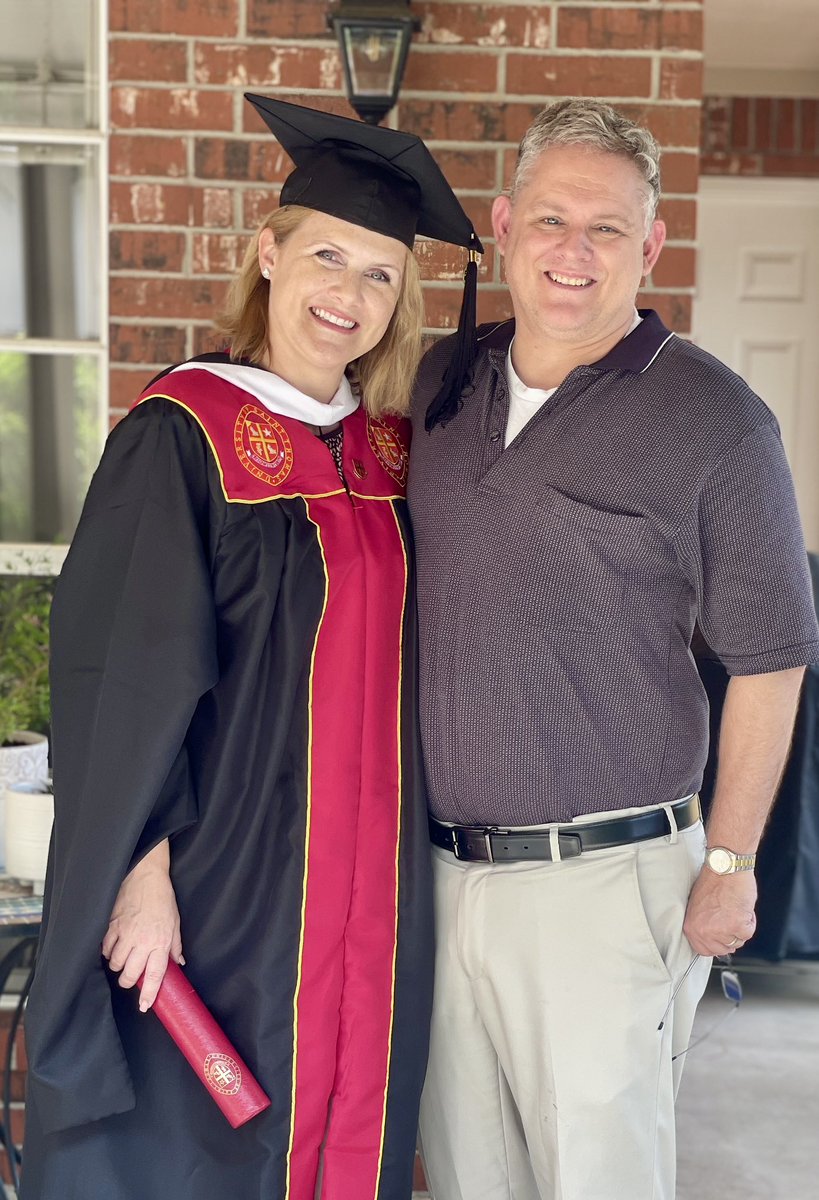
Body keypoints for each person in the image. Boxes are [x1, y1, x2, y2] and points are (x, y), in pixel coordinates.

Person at [21, 95, 479, 1200]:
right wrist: (139, 868)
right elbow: (117, 676)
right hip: (225, 873)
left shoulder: (386, 456)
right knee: (211, 1145)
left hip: (372, 879)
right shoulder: (185, 436)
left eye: (380, 274)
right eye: (327, 255)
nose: (349, 295)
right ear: (267, 254)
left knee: (349, 1113)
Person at [408, 97, 819, 1200]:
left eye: (606, 227)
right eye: (550, 220)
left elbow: (772, 661)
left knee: (599, 1180)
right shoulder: (442, 385)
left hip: (604, 880)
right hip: (439, 874)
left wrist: (729, 866)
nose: (573, 251)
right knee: (465, 1174)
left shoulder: (718, 423)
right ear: (502, 225)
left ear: (652, 243)